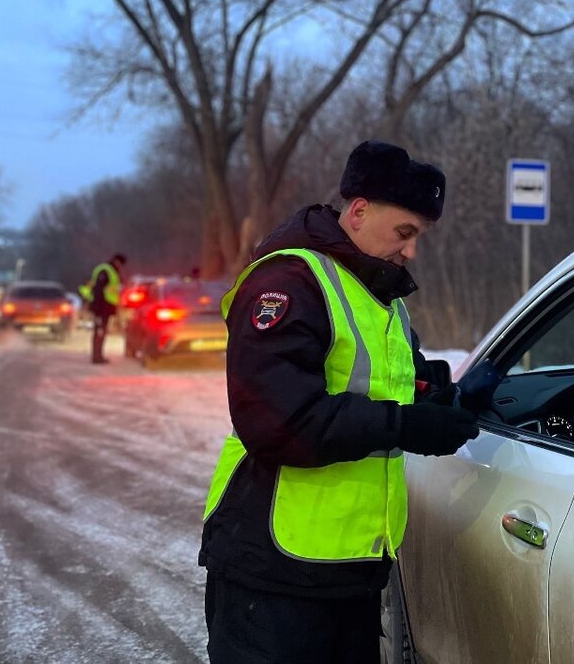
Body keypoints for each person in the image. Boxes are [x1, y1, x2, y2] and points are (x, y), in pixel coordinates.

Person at [200, 140, 492, 664]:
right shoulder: (289, 281)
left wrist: (439, 398)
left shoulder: (381, 297)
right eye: (405, 233)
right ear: (358, 212)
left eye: (418, 237)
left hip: (350, 569)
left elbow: (395, 384)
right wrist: (405, 426)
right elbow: (276, 420)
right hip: (273, 566)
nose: (411, 251)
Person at [79, 253, 126, 365]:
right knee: (99, 331)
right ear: (116, 261)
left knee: (101, 331)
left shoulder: (111, 271)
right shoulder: (105, 271)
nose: (120, 267)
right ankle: (97, 356)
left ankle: (98, 355)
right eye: (120, 264)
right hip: (102, 307)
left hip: (105, 307)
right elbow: (99, 290)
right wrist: (98, 307)